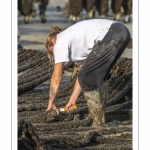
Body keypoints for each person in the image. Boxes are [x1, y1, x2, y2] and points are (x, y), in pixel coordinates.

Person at [45, 19, 131, 128]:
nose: (56, 54)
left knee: (88, 76)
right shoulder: (75, 41)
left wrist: (51, 104)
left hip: (112, 34)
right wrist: (73, 100)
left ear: (53, 41)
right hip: (123, 32)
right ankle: (100, 120)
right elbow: (82, 74)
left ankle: (97, 123)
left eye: (52, 50)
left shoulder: (59, 41)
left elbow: (56, 78)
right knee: (98, 76)